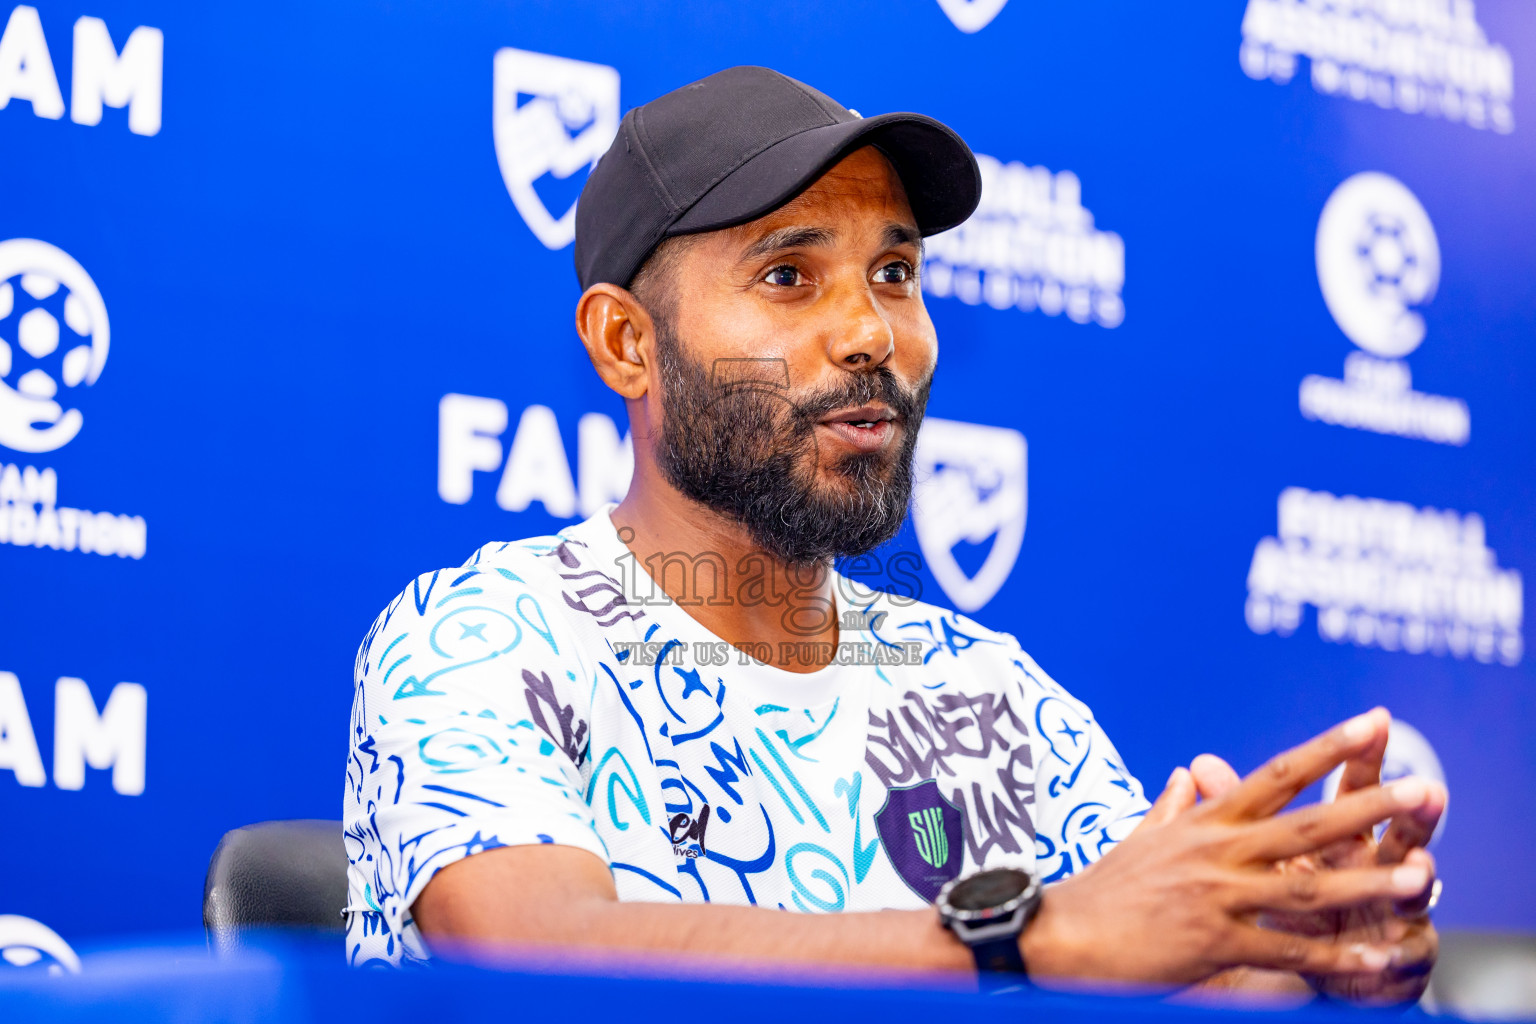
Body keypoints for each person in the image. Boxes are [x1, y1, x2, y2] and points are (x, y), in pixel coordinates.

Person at [343, 66, 1443, 1001]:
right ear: (627, 345)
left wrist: (1308, 953)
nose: (871, 332)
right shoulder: (480, 635)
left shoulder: (984, 691)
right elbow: (537, 953)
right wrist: (1030, 938)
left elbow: (1159, 960)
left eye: (896, 273)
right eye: (788, 276)